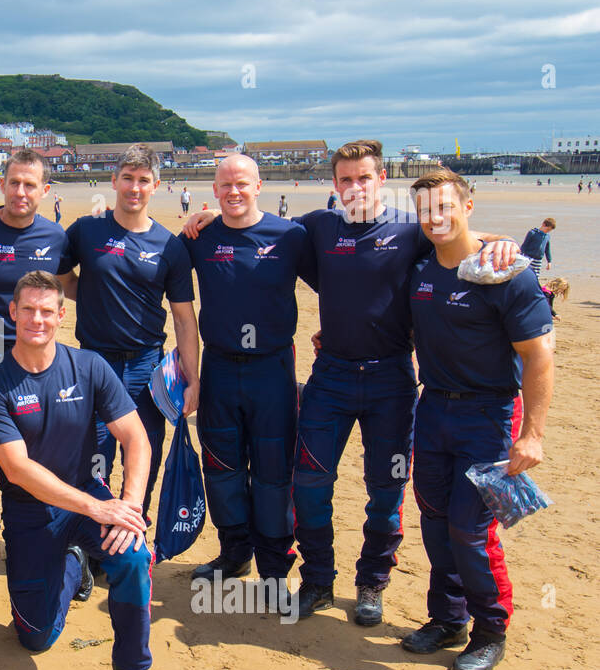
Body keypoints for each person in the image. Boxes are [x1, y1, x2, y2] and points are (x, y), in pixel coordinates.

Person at [183, 141, 519, 622]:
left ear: (381, 179)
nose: (355, 187)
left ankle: (371, 583)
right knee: (310, 483)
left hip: (392, 378)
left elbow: (456, 236)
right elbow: (256, 229)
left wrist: (498, 242)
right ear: (334, 184)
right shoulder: (316, 229)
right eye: (345, 180)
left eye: (364, 178)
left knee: (386, 489)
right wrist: (209, 214)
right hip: (332, 376)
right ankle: (319, 579)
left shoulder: (411, 229)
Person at [0, 271, 157, 670]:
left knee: (133, 556)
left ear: (61, 315)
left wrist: (128, 505)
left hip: (90, 496)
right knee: (34, 639)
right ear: (12, 313)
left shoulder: (90, 366)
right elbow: (17, 469)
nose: (37, 319)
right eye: (27, 310)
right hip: (32, 513)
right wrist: (95, 508)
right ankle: (74, 562)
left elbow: (136, 437)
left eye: (47, 311)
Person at [405, 169, 553, 670]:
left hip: (488, 416)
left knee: (471, 529)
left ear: (468, 207)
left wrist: (532, 434)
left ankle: (491, 629)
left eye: (445, 207)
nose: (435, 218)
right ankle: (448, 618)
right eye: (425, 210)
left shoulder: (506, 272)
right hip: (433, 409)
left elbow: (539, 356)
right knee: (434, 518)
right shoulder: (421, 267)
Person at [179, 155, 315, 593]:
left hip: (272, 369)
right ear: (214, 191)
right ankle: (235, 552)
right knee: (221, 466)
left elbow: (343, 280)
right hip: (219, 365)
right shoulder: (199, 237)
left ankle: (275, 564)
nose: (234, 192)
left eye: (242, 184)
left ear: (259, 186)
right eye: (225, 185)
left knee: (274, 469)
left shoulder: (291, 236)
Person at [61, 144, 200, 523]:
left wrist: (193, 380)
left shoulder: (169, 246)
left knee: (144, 456)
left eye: (143, 181)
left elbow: (185, 321)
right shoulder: (86, 230)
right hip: (94, 362)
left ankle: (133, 528)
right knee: (94, 455)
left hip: (147, 368)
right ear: (114, 181)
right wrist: (89, 295)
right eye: (127, 179)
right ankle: (93, 540)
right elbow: (60, 278)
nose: (134, 188)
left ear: (156, 185)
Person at [0, 149, 69, 599]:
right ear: (2, 184)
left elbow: (85, 280)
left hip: (39, 361)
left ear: (45, 191)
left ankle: (58, 547)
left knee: (42, 458)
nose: (21, 192)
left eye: (31, 185)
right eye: (14, 183)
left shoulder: (58, 236)